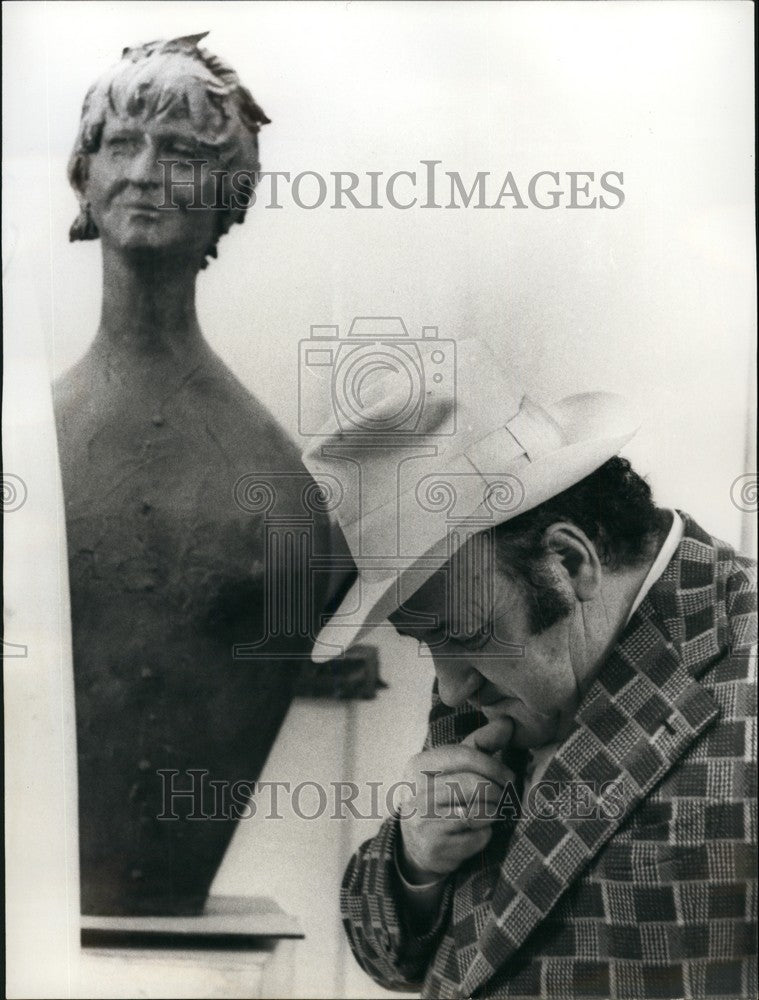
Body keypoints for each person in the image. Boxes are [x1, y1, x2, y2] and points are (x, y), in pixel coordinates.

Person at [302, 338, 757, 999]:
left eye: (464, 636)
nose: (452, 685)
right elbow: (388, 954)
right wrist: (416, 861)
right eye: (427, 644)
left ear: (567, 564)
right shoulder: (487, 668)